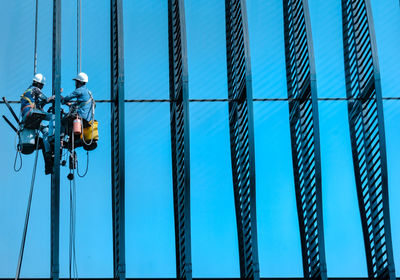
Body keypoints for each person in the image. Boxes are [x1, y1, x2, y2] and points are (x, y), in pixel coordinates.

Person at [20, 73, 55, 174]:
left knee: (45, 131)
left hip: (29, 117)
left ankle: (48, 158)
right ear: (39, 84)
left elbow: (39, 104)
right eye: (42, 85)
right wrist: (54, 97)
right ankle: (52, 137)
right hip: (31, 113)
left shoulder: (28, 91)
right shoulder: (35, 89)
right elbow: (45, 99)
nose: (42, 87)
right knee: (54, 117)